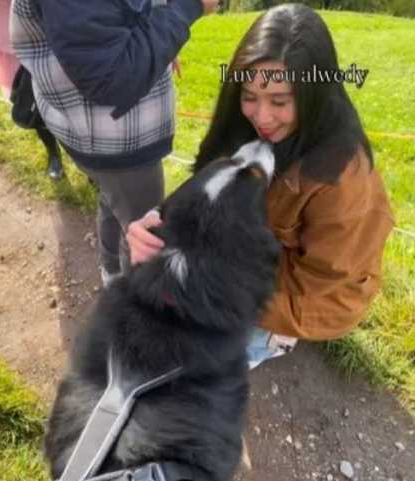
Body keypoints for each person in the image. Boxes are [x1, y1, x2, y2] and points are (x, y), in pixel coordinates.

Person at [125, 3, 394, 368]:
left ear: (314, 96)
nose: (261, 118)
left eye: (279, 101)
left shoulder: (344, 183)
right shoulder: (242, 123)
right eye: (249, 97)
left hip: (275, 303)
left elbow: (328, 299)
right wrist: (158, 222)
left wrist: (211, 289)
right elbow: (208, 188)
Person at [11, 0, 219, 285]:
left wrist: (158, 42)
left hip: (103, 133)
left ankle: (111, 273)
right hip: (115, 140)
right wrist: (187, 8)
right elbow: (110, 78)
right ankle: (136, 299)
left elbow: (111, 19)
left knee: (112, 200)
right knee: (145, 232)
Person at [0, 0, 64, 180]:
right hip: (9, 45)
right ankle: (53, 154)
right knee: (33, 108)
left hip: (48, 38)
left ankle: (86, 162)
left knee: (67, 101)